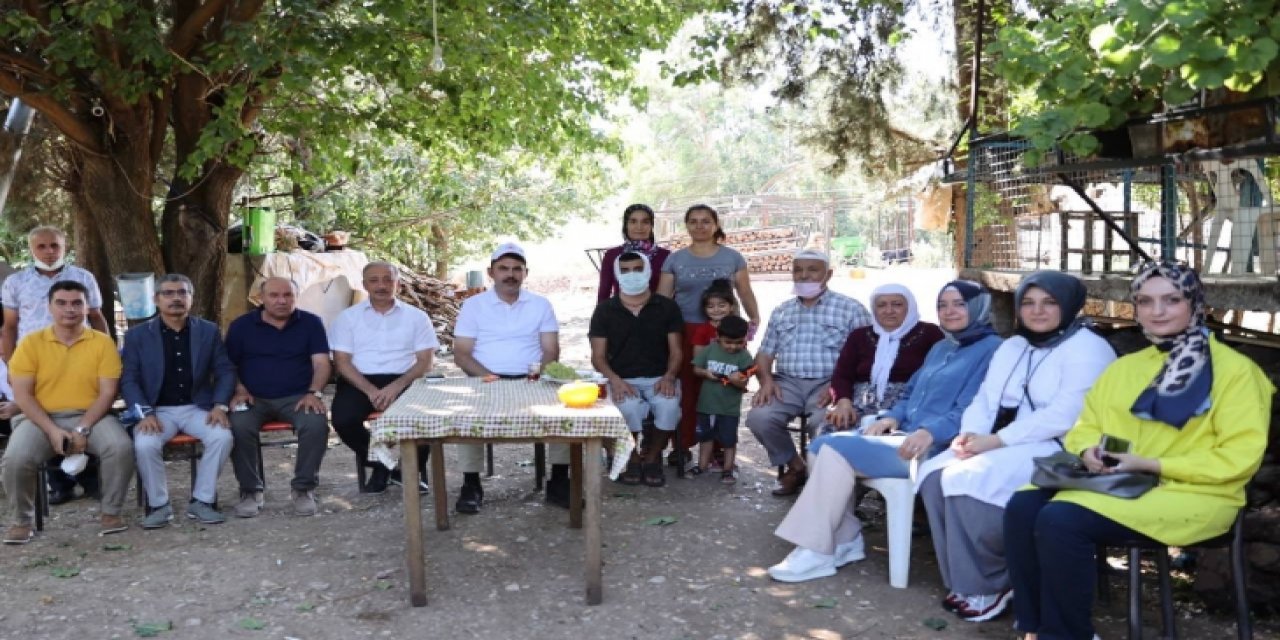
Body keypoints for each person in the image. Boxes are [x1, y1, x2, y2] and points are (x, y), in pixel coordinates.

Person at [1004, 262, 1272, 640]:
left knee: (1060, 519)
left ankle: (1066, 635)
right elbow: (1087, 425)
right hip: (1120, 483)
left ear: (1195, 302)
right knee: (1023, 506)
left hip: (1197, 494)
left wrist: (1153, 464)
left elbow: (1238, 457)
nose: (1157, 311)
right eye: (1145, 301)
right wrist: (1087, 451)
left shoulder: (1236, 372)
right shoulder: (1125, 368)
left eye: (1171, 300)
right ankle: (1035, 629)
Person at [765, 280, 1002, 582]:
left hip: (938, 446)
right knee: (820, 445)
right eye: (943, 305)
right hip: (904, 435)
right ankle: (845, 538)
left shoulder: (993, 350)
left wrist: (930, 432)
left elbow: (974, 409)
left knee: (832, 448)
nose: (949, 311)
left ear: (978, 307)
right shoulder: (943, 346)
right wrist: (891, 417)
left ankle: (817, 549)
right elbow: (911, 393)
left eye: (959, 304)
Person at [916, 271, 1115, 622]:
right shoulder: (1013, 346)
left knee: (968, 479)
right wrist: (970, 435)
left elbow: (1065, 415)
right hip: (999, 442)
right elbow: (985, 399)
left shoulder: (1089, 348)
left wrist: (994, 442)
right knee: (934, 476)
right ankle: (964, 580)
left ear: (1069, 306)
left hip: (1058, 446)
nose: (1037, 311)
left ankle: (994, 581)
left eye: (1049, 303)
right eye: (1028, 302)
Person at [1, 281, 134, 543]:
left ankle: (111, 512)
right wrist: (52, 430)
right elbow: (23, 395)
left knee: (120, 447)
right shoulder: (31, 343)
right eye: (61, 303)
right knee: (16, 458)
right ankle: (22, 521)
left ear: (86, 307)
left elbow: (107, 393)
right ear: (49, 307)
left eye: (76, 303)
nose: (69, 309)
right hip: (40, 418)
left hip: (92, 416)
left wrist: (82, 428)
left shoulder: (102, 343)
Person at [745, 248, 872, 496]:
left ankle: (823, 480)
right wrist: (766, 381)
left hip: (830, 383)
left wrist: (839, 386)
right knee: (759, 418)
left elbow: (866, 356)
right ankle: (796, 466)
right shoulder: (782, 311)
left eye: (812, 270)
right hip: (787, 383)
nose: (804, 275)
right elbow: (765, 353)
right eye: (798, 270)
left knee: (824, 422)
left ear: (828, 274)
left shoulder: (850, 309)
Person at [1, 226, 111, 504]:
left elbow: (97, 317)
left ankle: (91, 480)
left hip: (80, 358)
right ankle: (61, 485)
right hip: (35, 362)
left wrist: (108, 350)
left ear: (64, 247)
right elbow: (10, 326)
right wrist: (10, 364)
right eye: (41, 246)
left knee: (83, 412)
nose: (49, 252)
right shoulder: (16, 282)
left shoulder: (83, 277)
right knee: (44, 415)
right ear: (31, 249)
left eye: (54, 246)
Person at [121, 274, 237, 529]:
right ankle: (159, 505)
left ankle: (202, 501)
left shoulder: (208, 330)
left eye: (182, 293)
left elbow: (225, 371)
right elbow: (129, 379)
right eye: (168, 293)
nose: (176, 298)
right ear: (156, 299)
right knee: (145, 444)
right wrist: (145, 413)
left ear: (191, 298)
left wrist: (220, 405)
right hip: (157, 410)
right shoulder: (137, 336)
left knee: (222, 437)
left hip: (198, 407)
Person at [453, 242, 561, 512]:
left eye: (516, 269)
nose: (510, 274)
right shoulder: (473, 306)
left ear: (526, 273)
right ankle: (471, 484)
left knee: (563, 411)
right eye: (503, 268)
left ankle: (560, 481)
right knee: (467, 414)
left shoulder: (541, 305)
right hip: (485, 380)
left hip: (533, 379)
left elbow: (551, 350)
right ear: (491, 273)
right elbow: (462, 354)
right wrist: (490, 378)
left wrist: (536, 376)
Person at [657, 204, 760, 464]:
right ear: (686, 226)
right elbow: (663, 299)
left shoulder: (733, 257)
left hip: (724, 333)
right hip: (686, 331)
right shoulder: (675, 260)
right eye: (693, 221)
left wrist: (753, 318)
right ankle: (682, 445)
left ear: (715, 224)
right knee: (688, 389)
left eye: (705, 221)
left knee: (721, 388)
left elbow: (745, 291)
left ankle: (719, 448)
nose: (699, 226)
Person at [225, 277, 332, 518]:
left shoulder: (311, 323)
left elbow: (322, 363)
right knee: (238, 425)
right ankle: (251, 491)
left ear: (295, 297)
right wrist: (239, 389)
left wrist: (313, 392)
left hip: (298, 397)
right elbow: (229, 365)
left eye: (288, 295)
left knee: (315, 424)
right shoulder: (241, 326)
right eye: (274, 295)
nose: (281, 301)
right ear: (261, 298)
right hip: (252, 398)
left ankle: (303, 489)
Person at [330, 262, 438, 494]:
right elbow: (342, 362)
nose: (381, 285)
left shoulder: (417, 317)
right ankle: (385, 466)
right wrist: (370, 390)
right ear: (364, 284)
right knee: (344, 420)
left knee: (424, 421)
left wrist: (395, 387)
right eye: (374, 280)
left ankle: (410, 471)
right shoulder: (347, 318)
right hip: (359, 381)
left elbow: (425, 362)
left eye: (388, 279)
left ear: (398, 284)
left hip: (405, 379)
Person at [588, 251, 684, 487]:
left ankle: (652, 458)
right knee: (627, 409)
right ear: (617, 274)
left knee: (669, 407)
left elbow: (676, 351)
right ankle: (631, 457)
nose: (632, 275)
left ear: (648, 271)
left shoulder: (667, 307)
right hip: (620, 379)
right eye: (626, 270)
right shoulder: (604, 310)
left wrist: (669, 376)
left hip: (659, 378)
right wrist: (615, 380)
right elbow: (598, 357)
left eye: (638, 269)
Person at [824, 284, 944, 434]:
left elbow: (939, 373)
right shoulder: (859, 336)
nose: (889, 311)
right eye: (881, 305)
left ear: (910, 307)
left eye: (897, 304)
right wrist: (843, 402)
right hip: (860, 404)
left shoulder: (930, 333)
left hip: (907, 404)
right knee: (831, 432)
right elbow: (842, 374)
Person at [690, 315, 753, 483]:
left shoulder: (745, 357)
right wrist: (705, 373)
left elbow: (745, 382)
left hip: (729, 408)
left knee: (729, 440)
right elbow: (696, 369)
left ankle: (727, 469)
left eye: (738, 342)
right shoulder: (710, 350)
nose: (733, 347)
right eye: (728, 342)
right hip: (706, 405)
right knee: (705, 438)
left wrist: (736, 380)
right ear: (718, 336)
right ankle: (702, 465)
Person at [597, 203, 671, 302]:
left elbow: (672, 294)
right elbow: (604, 293)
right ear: (626, 225)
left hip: (658, 311)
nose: (639, 227)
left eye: (645, 222)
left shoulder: (666, 256)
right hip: (620, 311)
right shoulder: (612, 255)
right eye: (633, 221)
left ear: (651, 225)